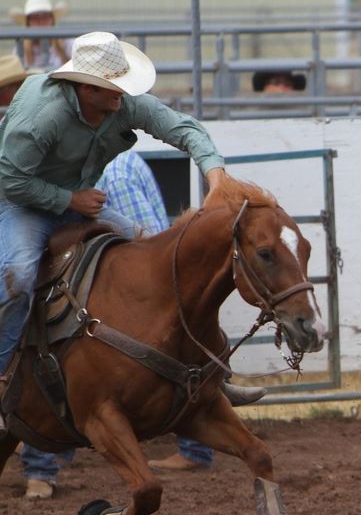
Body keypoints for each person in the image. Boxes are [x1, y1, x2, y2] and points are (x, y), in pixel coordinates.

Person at [0, 31, 228, 444]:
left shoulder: (118, 104)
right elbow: (11, 180)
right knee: (16, 274)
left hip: (80, 201)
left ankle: (206, 377)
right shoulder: (41, 116)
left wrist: (215, 174)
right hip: (23, 205)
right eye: (116, 87)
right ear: (88, 88)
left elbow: (181, 127)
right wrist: (69, 197)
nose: (124, 95)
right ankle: (1, 381)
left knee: (153, 255)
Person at [19, 152, 216, 500]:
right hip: (137, 280)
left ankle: (43, 461)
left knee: (56, 350)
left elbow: (137, 242)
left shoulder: (115, 172)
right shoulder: (121, 161)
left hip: (130, 287)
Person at [8, 0, 71, 71]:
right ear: (28, 22)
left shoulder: (66, 42)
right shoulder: (20, 49)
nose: (41, 21)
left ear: (52, 19)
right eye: (35, 17)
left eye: (45, 16)